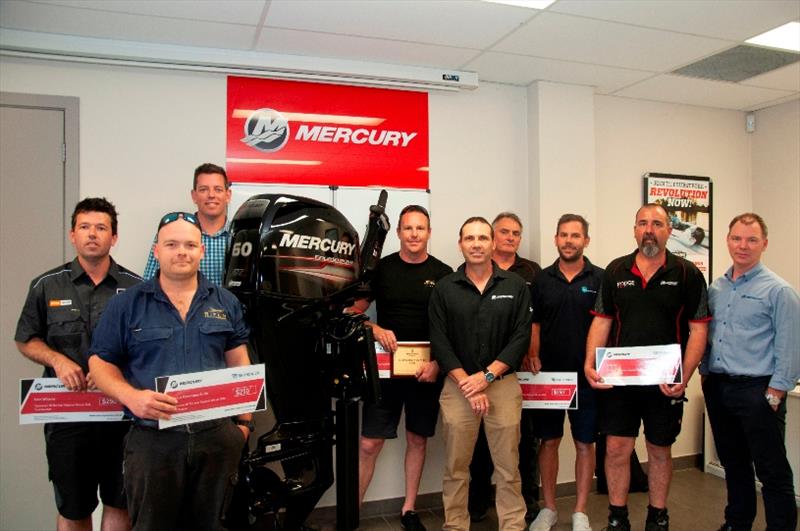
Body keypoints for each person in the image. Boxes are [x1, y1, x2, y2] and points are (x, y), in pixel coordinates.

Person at [88, 211, 252, 531]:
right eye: (172, 244)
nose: (182, 252)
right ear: (157, 250)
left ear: (201, 250)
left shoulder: (226, 302)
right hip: (153, 440)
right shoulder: (127, 304)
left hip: (216, 438)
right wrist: (132, 398)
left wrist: (243, 425)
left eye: (190, 245)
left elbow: (238, 360)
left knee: (213, 524)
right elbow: (100, 361)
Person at [15, 197, 141, 531]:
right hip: (67, 418)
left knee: (120, 501)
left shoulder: (137, 289)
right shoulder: (46, 285)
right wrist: (56, 360)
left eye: (102, 228)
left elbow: (147, 348)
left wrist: (112, 374)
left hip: (121, 416)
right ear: (73, 234)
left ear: (114, 237)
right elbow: (25, 338)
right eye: (85, 227)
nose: (92, 234)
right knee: (73, 507)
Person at [584, 204, 710, 531]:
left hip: (664, 383)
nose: (649, 229)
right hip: (620, 381)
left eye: (657, 223)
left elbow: (699, 329)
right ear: (634, 230)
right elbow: (602, 322)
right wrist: (590, 364)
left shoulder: (687, 273)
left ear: (669, 230)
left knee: (659, 449)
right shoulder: (615, 271)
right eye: (642, 223)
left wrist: (684, 373)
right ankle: (617, 515)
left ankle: (658, 516)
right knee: (616, 449)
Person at [429, 217, 532, 530]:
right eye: (470, 238)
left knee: (508, 466)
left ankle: (513, 524)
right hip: (457, 387)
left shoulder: (515, 286)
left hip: (501, 385)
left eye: (483, 238)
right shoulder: (445, 288)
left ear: (493, 243)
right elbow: (439, 340)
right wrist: (467, 383)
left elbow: (521, 337)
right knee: (456, 467)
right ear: (460, 244)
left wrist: (485, 377)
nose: (476, 244)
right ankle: (455, 524)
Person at [354, 205, 452, 530]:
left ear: (429, 233)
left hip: (427, 373)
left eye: (420, 228)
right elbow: (351, 311)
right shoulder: (381, 269)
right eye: (408, 228)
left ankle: (409, 509)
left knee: (417, 440)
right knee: (369, 443)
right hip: (386, 373)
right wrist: (375, 328)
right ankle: (351, 512)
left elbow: (453, 329)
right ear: (398, 233)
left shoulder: (443, 274)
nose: (414, 234)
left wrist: (438, 363)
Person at [701, 213, 799, 531]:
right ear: (728, 240)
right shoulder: (716, 288)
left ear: (764, 244)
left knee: (771, 470)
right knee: (734, 463)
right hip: (719, 387)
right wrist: (705, 374)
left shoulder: (779, 291)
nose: (743, 246)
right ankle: (737, 522)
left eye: (752, 239)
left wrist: (776, 391)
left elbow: (790, 345)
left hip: (758, 391)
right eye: (737, 238)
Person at [527, 214, 603, 531]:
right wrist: (532, 353)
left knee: (585, 443)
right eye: (563, 235)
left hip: (587, 378)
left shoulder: (600, 279)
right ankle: (549, 508)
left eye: (575, 235)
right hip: (549, 378)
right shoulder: (541, 280)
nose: (569, 240)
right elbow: (534, 324)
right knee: (549, 441)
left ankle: (580, 511)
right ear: (556, 239)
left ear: (586, 240)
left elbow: (606, 323)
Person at [468, 212, 541, 523]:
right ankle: (479, 500)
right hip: (478, 371)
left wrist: (531, 352)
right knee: (480, 441)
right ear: (492, 236)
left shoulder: (532, 272)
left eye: (516, 233)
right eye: (504, 232)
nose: (510, 237)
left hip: (518, 368)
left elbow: (532, 321)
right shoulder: (477, 270)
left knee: (522, 438)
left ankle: (528, 501)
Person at [143, 163, 232, 285]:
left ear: (228, 195)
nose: (211, 195)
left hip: (229, 304)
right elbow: (149, 284)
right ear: (194, 196)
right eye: (203, 189)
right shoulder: (170, 233)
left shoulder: (241, 239)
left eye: (218, 189)